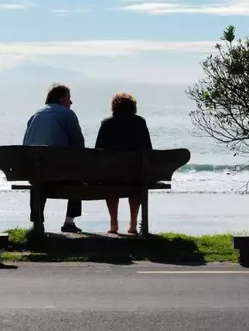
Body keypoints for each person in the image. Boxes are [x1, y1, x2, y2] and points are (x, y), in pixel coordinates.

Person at [22, 83, 84, 233]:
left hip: (37, 172)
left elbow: (25, 144)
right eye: (69, 98)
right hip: (59, 172)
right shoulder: (68, 114)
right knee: (79, 173)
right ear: (62, 99)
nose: (71, 102)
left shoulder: (36, 114)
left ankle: (37, 221)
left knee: (38, 180)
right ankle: (69, 221)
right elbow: (79, 145)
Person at [95, 92, 152, 234]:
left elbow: (97, 151)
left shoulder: (106, 124)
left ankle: (114, 225)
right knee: (136, 186)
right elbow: (148, 149)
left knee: (110, 185)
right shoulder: (140, 122)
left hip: (111, 176)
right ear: (133, 107)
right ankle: (133, 225)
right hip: (135, 175)